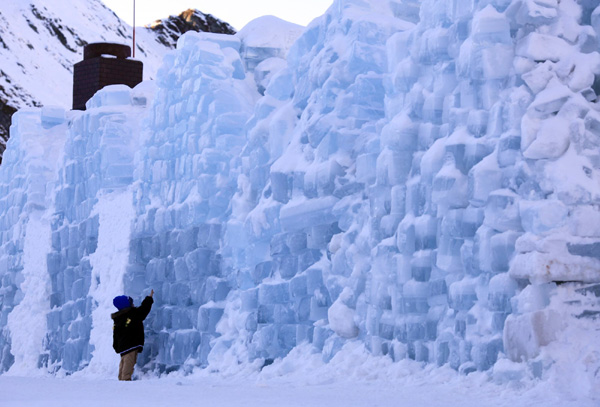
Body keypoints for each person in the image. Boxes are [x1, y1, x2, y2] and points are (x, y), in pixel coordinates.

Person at [111, 289, 154, 381]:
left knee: (123, 362)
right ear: (127, 305)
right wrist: (149, 298)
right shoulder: (132, 314)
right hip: (130, 345)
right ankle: (125, 380)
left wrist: (116, 346)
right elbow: (143, 310)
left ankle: (121, 379)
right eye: (131, 303)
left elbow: (116, 334)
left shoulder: (118, 319)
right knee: (129, 363)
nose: (133, 304)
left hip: (123, 347)